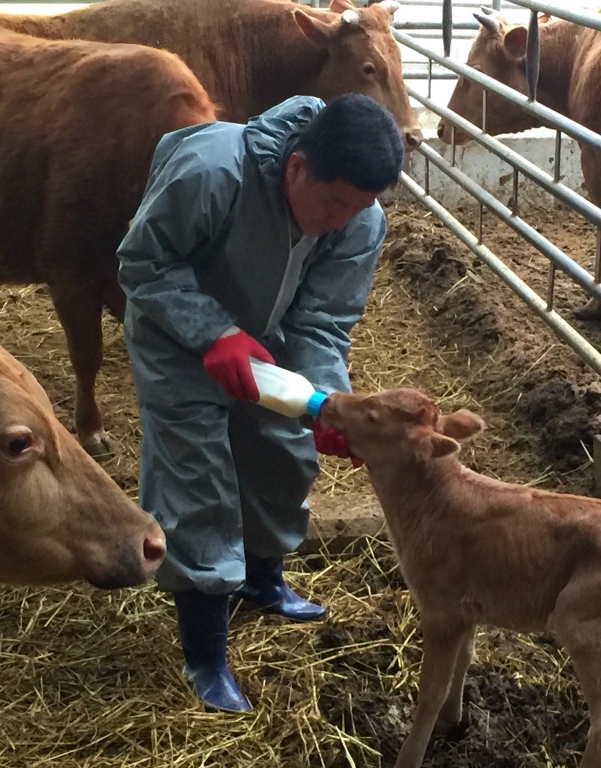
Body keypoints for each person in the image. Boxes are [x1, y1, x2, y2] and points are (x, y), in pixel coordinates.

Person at [117, 93, 405, 712]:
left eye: (358, 207)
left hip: (267, 339)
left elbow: (323, 320)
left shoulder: (360, 220)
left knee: (283, 450)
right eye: (335, 203)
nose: (342, 218)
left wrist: (329, 403)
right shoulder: (213, 170)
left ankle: (262, 579)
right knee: (197, 478)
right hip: (177, 337)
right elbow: (143, 264)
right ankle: (205, 651)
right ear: (297, 167)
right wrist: (214, 333)